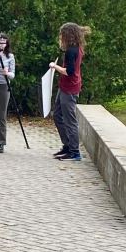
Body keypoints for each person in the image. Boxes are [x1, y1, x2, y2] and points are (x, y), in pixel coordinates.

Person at [50, 22, 88, 160]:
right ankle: (67, 145)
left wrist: (54, 66)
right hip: (65, 87)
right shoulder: (74, 48)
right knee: (57, 115)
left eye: (62, 35)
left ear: (67, 35)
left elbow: (69, 72)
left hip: (70, 88)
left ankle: (74, 152)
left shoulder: (72, 51)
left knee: (70, 120)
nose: (60, 37)